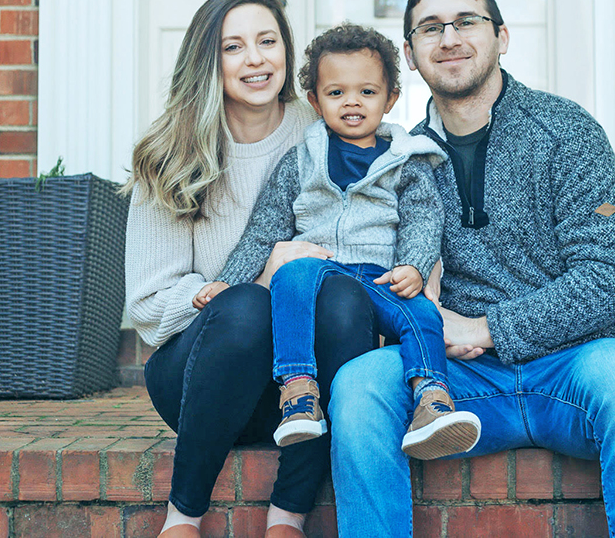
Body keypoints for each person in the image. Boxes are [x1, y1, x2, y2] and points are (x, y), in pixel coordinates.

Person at [327, 0, 615, 536]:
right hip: (458, 382)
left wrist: (484, 328)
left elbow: (609, 277)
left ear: (502, 35)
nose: (449, 39)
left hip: (580, 363)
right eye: (430, 28)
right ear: (410, 54)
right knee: (359, 384)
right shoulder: (397, 162)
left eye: (466, 21)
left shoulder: (566, 133)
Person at [123, 0, 376, 538]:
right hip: (202, 379)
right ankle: (182, 516)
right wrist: (260, 277)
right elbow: (146, 306)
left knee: (337, 297)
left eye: (268, 41)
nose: (256, 59)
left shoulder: (326, 132)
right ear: (207, 62)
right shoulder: (171, 153)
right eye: (234, 47)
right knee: (248, 307)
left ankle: (288, 516)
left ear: (288, 52)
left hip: (303, 391)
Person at [200, 23, 482, 460]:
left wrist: (414, 266)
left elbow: (424, 220)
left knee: (422, 313)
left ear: (390, 99)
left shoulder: (406, 162)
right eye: (336, 93)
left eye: (367, 92)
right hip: (322, 271)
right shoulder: (300, 160)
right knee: (291, 272)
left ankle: (432, 401)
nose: (352, 102)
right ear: (315, 100)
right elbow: (265, 229)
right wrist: (229, 281)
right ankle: (298, 393)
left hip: (379, 275)